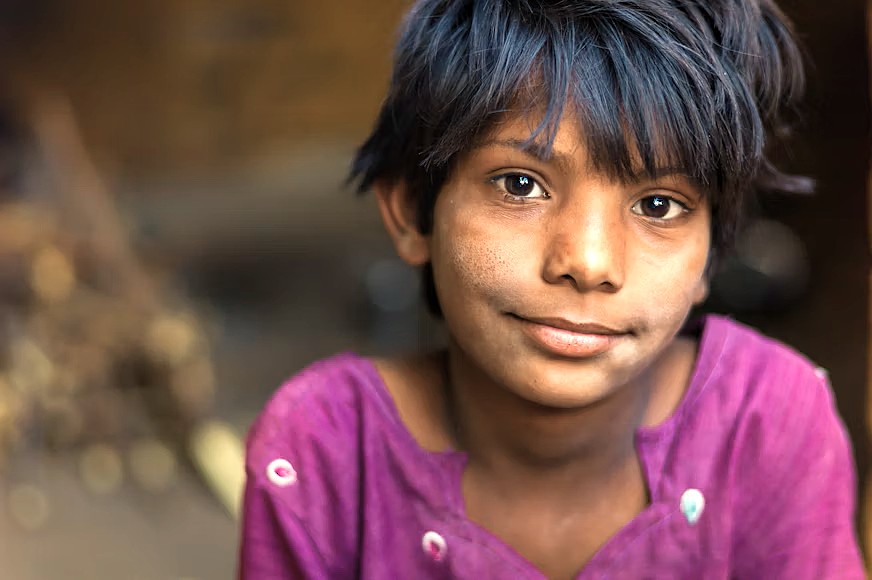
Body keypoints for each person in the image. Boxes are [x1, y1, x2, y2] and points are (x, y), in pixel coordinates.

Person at [238, 0, 866, 577]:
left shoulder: (768, 425)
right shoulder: (324, 453)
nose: (588, 262)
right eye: (520, 185)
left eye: (658, 203)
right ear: (411, 209)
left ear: (710, 256)